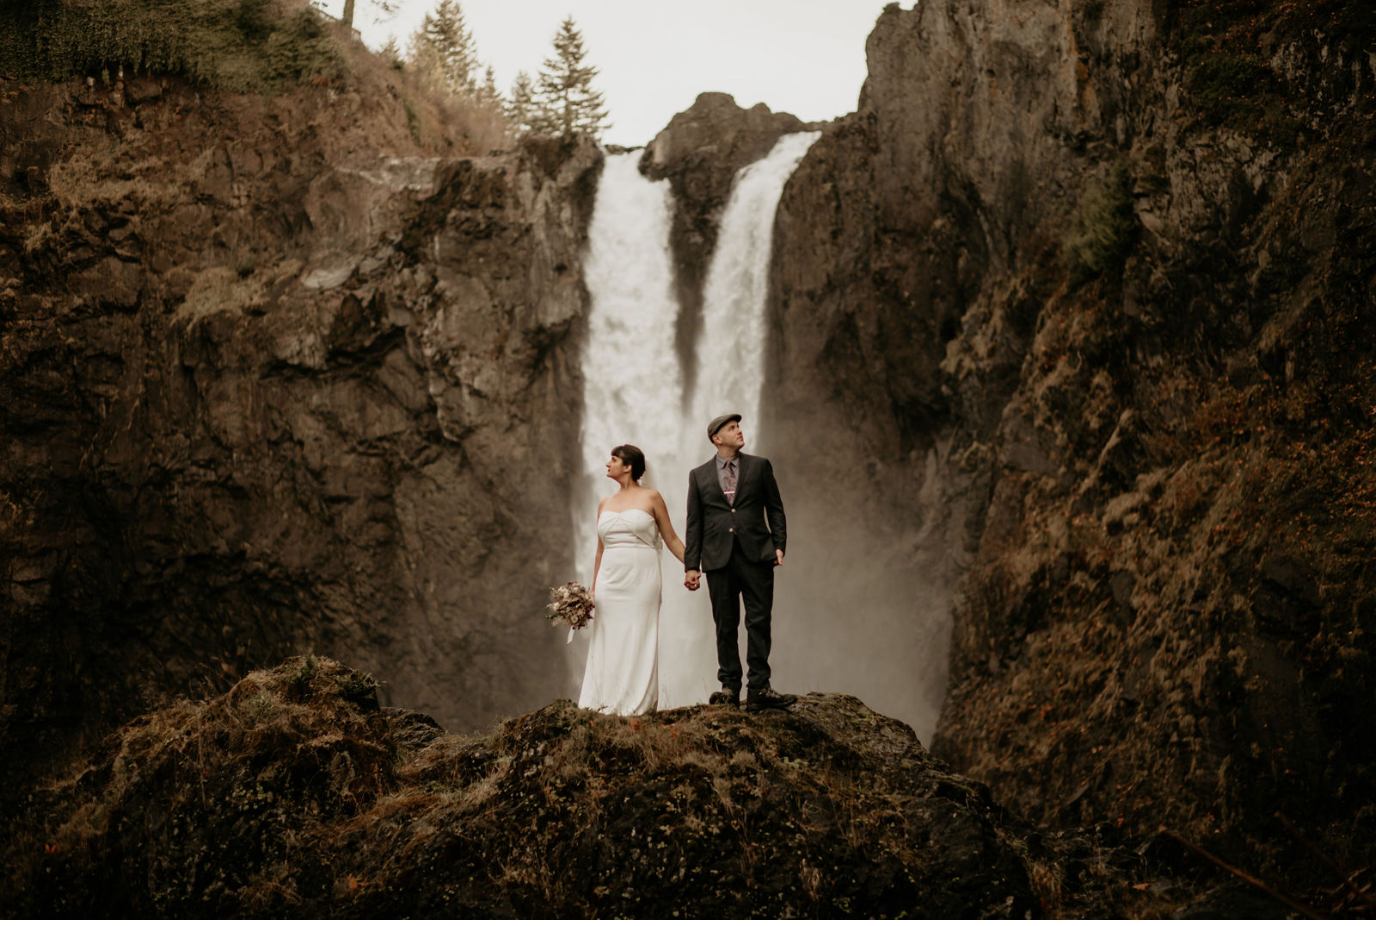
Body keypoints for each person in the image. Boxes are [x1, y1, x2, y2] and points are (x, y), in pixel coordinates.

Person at [684, 414, 797, 712]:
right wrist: (691, 565)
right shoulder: (699, 475)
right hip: (718, 558)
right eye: (732, 428)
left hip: (756, 554)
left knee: (759, 620)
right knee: (725, 624)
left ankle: (759, 687)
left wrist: (779, 544)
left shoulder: (760, 466)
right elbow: (694, 522)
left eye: (739, 426)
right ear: (717, 438)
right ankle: (729, 687)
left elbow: (775, 508)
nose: (739, 431)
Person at [578, 444, 688, 714]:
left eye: (613, 460)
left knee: (639, 634)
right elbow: (599, 550)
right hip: (609, 580)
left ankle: (636, 703)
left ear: (628, 467)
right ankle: (602, 700)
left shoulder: (652, 497)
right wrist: (593, 590)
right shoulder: (604, 503)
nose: (607, 464)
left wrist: (695, 565)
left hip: (642, 578)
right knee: (607, 636)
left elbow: (671, 537)